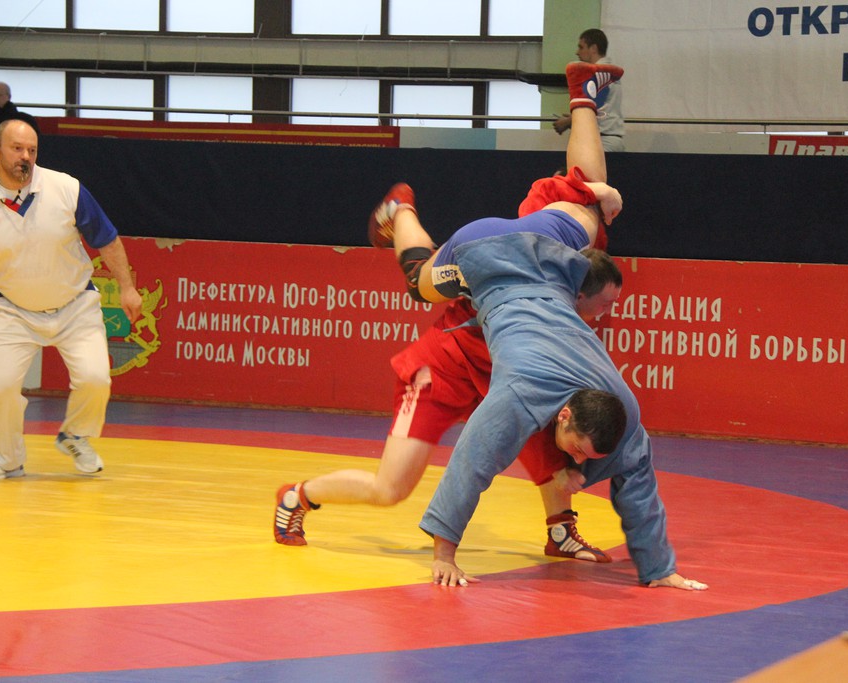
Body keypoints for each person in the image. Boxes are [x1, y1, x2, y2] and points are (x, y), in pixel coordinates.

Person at [369, 63, 706, 591]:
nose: (575, 458)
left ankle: (583, 97)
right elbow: (472, 463)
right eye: (578, 449)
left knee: (592, 205)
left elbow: (637, 482)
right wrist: (445, 552)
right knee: (420, 282)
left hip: (547, 244)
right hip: (484, 251)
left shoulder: (623, 406)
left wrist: (660, 569)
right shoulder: (523, 389)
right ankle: (399, 210)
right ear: (564, 412)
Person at [272, 62, 624, 563]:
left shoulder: (572, 239)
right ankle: (297, 496)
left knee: (551, 441)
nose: (602, 317)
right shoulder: (549, 264)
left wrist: (596, 193)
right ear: (578, 291)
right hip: (446, 364)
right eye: (602, 306)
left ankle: (561, 530)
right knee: (390, 488)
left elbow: (586, 184)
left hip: (498, 364)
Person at [0, 119, 142, 480]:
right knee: (0, 389)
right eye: (17, 148)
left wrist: (127, 287)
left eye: (32, 150)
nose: (25, 156)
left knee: (96, 379)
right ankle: (7, 460)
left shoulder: (66, 188)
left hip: (74, 304)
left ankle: (75, 435)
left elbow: (107, 239)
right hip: (13, 310)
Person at [553, 29, 624, 153]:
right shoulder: (610, 72)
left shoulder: (598, 74)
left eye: (581, 47)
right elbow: (600, 107)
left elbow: (592, 111)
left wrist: (568, 122)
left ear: (593, 48)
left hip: (602, 142)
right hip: (610, 140)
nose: (577, 52)